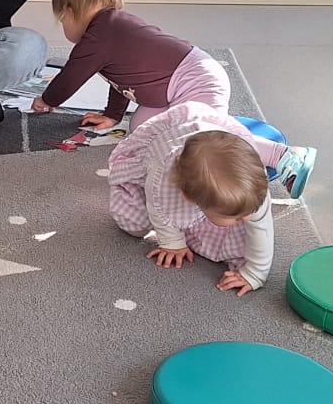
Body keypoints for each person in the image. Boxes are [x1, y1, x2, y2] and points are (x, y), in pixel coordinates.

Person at [106, 104, 317, 295]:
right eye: (236, 216)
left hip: (213, 129)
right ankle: (194, 221)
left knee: (242, 241)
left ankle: (278, 154)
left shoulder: (254, 183)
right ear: (190, 198)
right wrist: (172, 243)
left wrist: (255, 273)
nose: (245, 219)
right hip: (165, 144)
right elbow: (157, 208)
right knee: (132, 224)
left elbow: (262, 228)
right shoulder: (162, 179)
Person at [31, 0, 234, 130]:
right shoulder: (111, 30)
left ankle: (246, 144)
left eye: (62, 21)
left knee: (201, 137)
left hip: (196, 80)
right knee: (140, 129)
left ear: (68, 12)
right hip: (180, 87)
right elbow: (120, 80)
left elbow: (70, 77)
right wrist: (112, 115)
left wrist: (47, 100)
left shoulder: (98, 37)